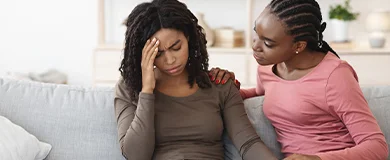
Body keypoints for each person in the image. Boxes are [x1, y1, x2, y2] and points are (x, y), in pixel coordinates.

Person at [210, 0, 389, 159]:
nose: (255, 46)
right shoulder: (267, 68)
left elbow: (377, 146)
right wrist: (227, 87)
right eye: (257, 33)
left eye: (268, 43)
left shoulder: (336, 76)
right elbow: (263, 94)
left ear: (299, 45)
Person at [114, 0, 278, 159]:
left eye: (176, 47)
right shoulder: (130, 88)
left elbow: (248, 143)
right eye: (158, 53)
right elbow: (135, 155)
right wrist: (147, 91)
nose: (170, 60)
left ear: (189, 39)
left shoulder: (219, 84)